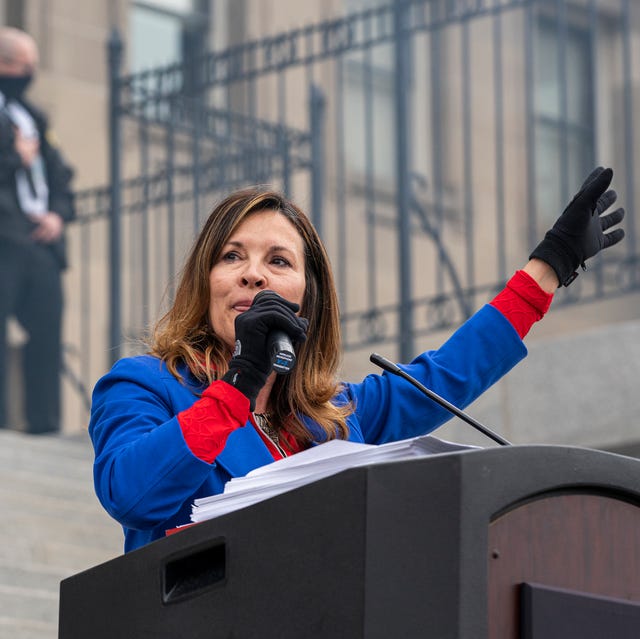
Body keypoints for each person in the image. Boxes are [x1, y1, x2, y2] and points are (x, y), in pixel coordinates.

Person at [89, 168, 624, 552]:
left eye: (278, 260)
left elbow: (451, 371)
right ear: (206, 284)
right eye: (232, 257)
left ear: (307, 298)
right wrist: (238, 383)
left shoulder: (340, 417)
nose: (252, 274)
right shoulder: (144, 385)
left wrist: (550, 265)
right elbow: (132, 496)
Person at [0, 27, 75, 434]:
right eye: (20, 65)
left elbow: (61, 175)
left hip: (40, 242)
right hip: (3, 237)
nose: (28, 72)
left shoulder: (34, 117)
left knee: (46, 332)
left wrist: (58, 215)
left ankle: (43, 423)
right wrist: (14, 157)